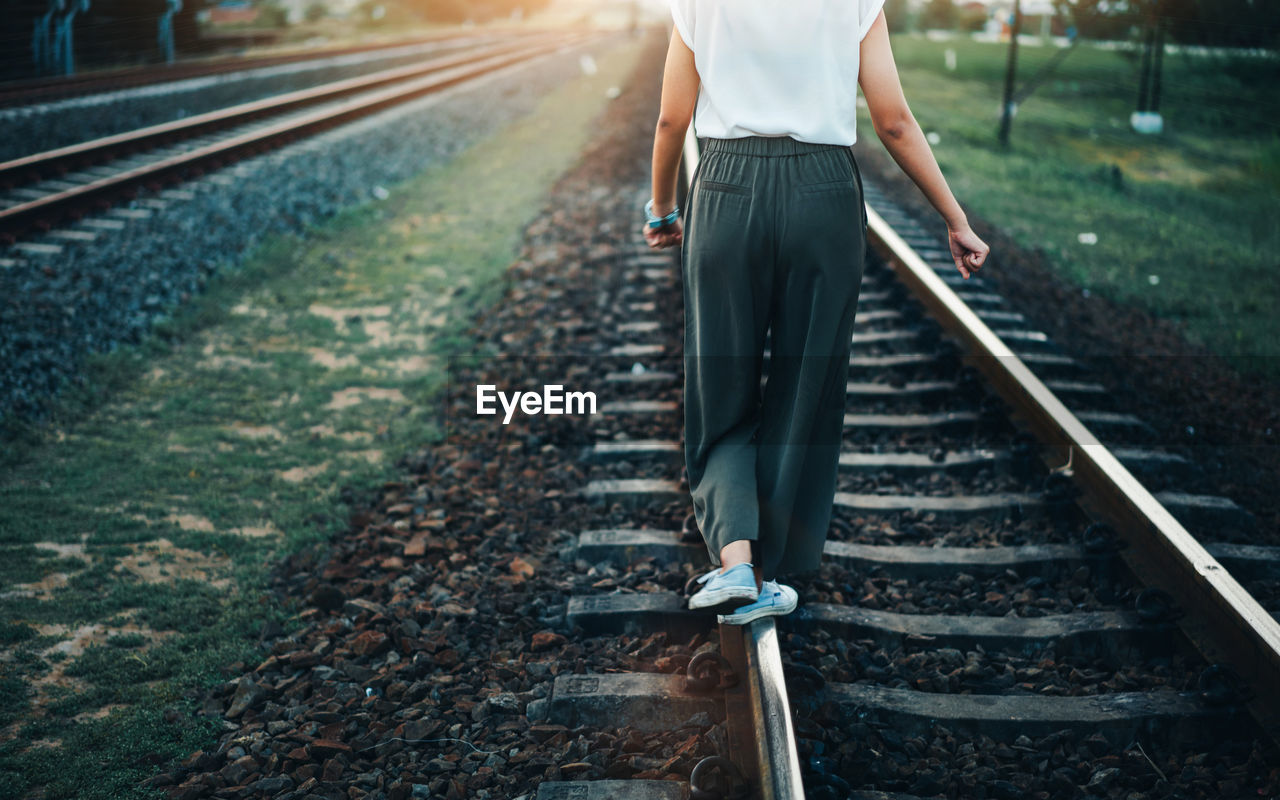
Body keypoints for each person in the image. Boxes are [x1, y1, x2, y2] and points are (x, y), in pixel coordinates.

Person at [642, 0, 991, 625]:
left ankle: (735, 563)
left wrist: (663, 208)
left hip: (726, 187)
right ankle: (767, 569)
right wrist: (954, 218)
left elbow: (672, 119)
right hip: (825, 195)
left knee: (720, 387)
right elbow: (895, 123)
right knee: (806, 387)